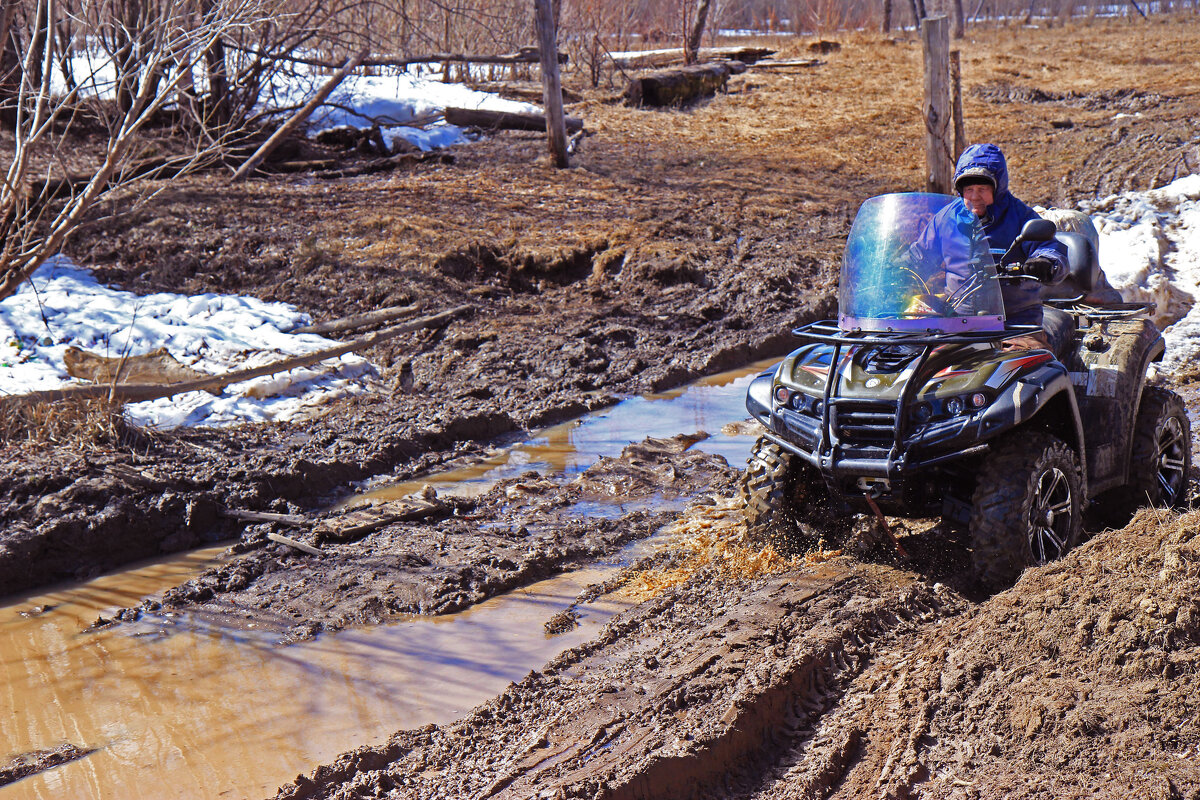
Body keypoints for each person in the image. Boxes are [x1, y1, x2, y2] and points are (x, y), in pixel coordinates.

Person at [949, 143, 1071, 350]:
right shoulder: (947, 218)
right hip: (955, 322)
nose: (975, 196)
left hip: (1015, 323)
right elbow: (919, 253)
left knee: (1029, 366)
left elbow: (1050, 248)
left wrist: (1045, 263)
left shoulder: (1020, 216)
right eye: (969, 189)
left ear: (998, 187)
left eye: (982, 189)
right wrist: (895, 265)